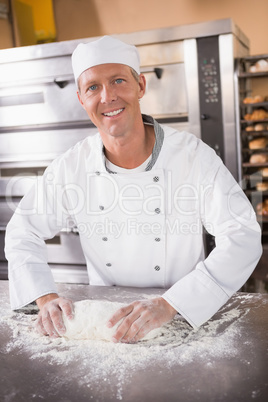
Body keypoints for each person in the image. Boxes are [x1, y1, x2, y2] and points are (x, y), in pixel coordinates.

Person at [5, 36, 262, 343]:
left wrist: (171, 304)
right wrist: (44, 298)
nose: (107, 96)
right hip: (104, 326)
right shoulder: (72, 165)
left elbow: (243, 235)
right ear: (81, 98)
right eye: (93, 87)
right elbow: (23, 231)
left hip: (180, 315)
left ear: (141, 85)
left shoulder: (193, 157)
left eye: (118, 80)